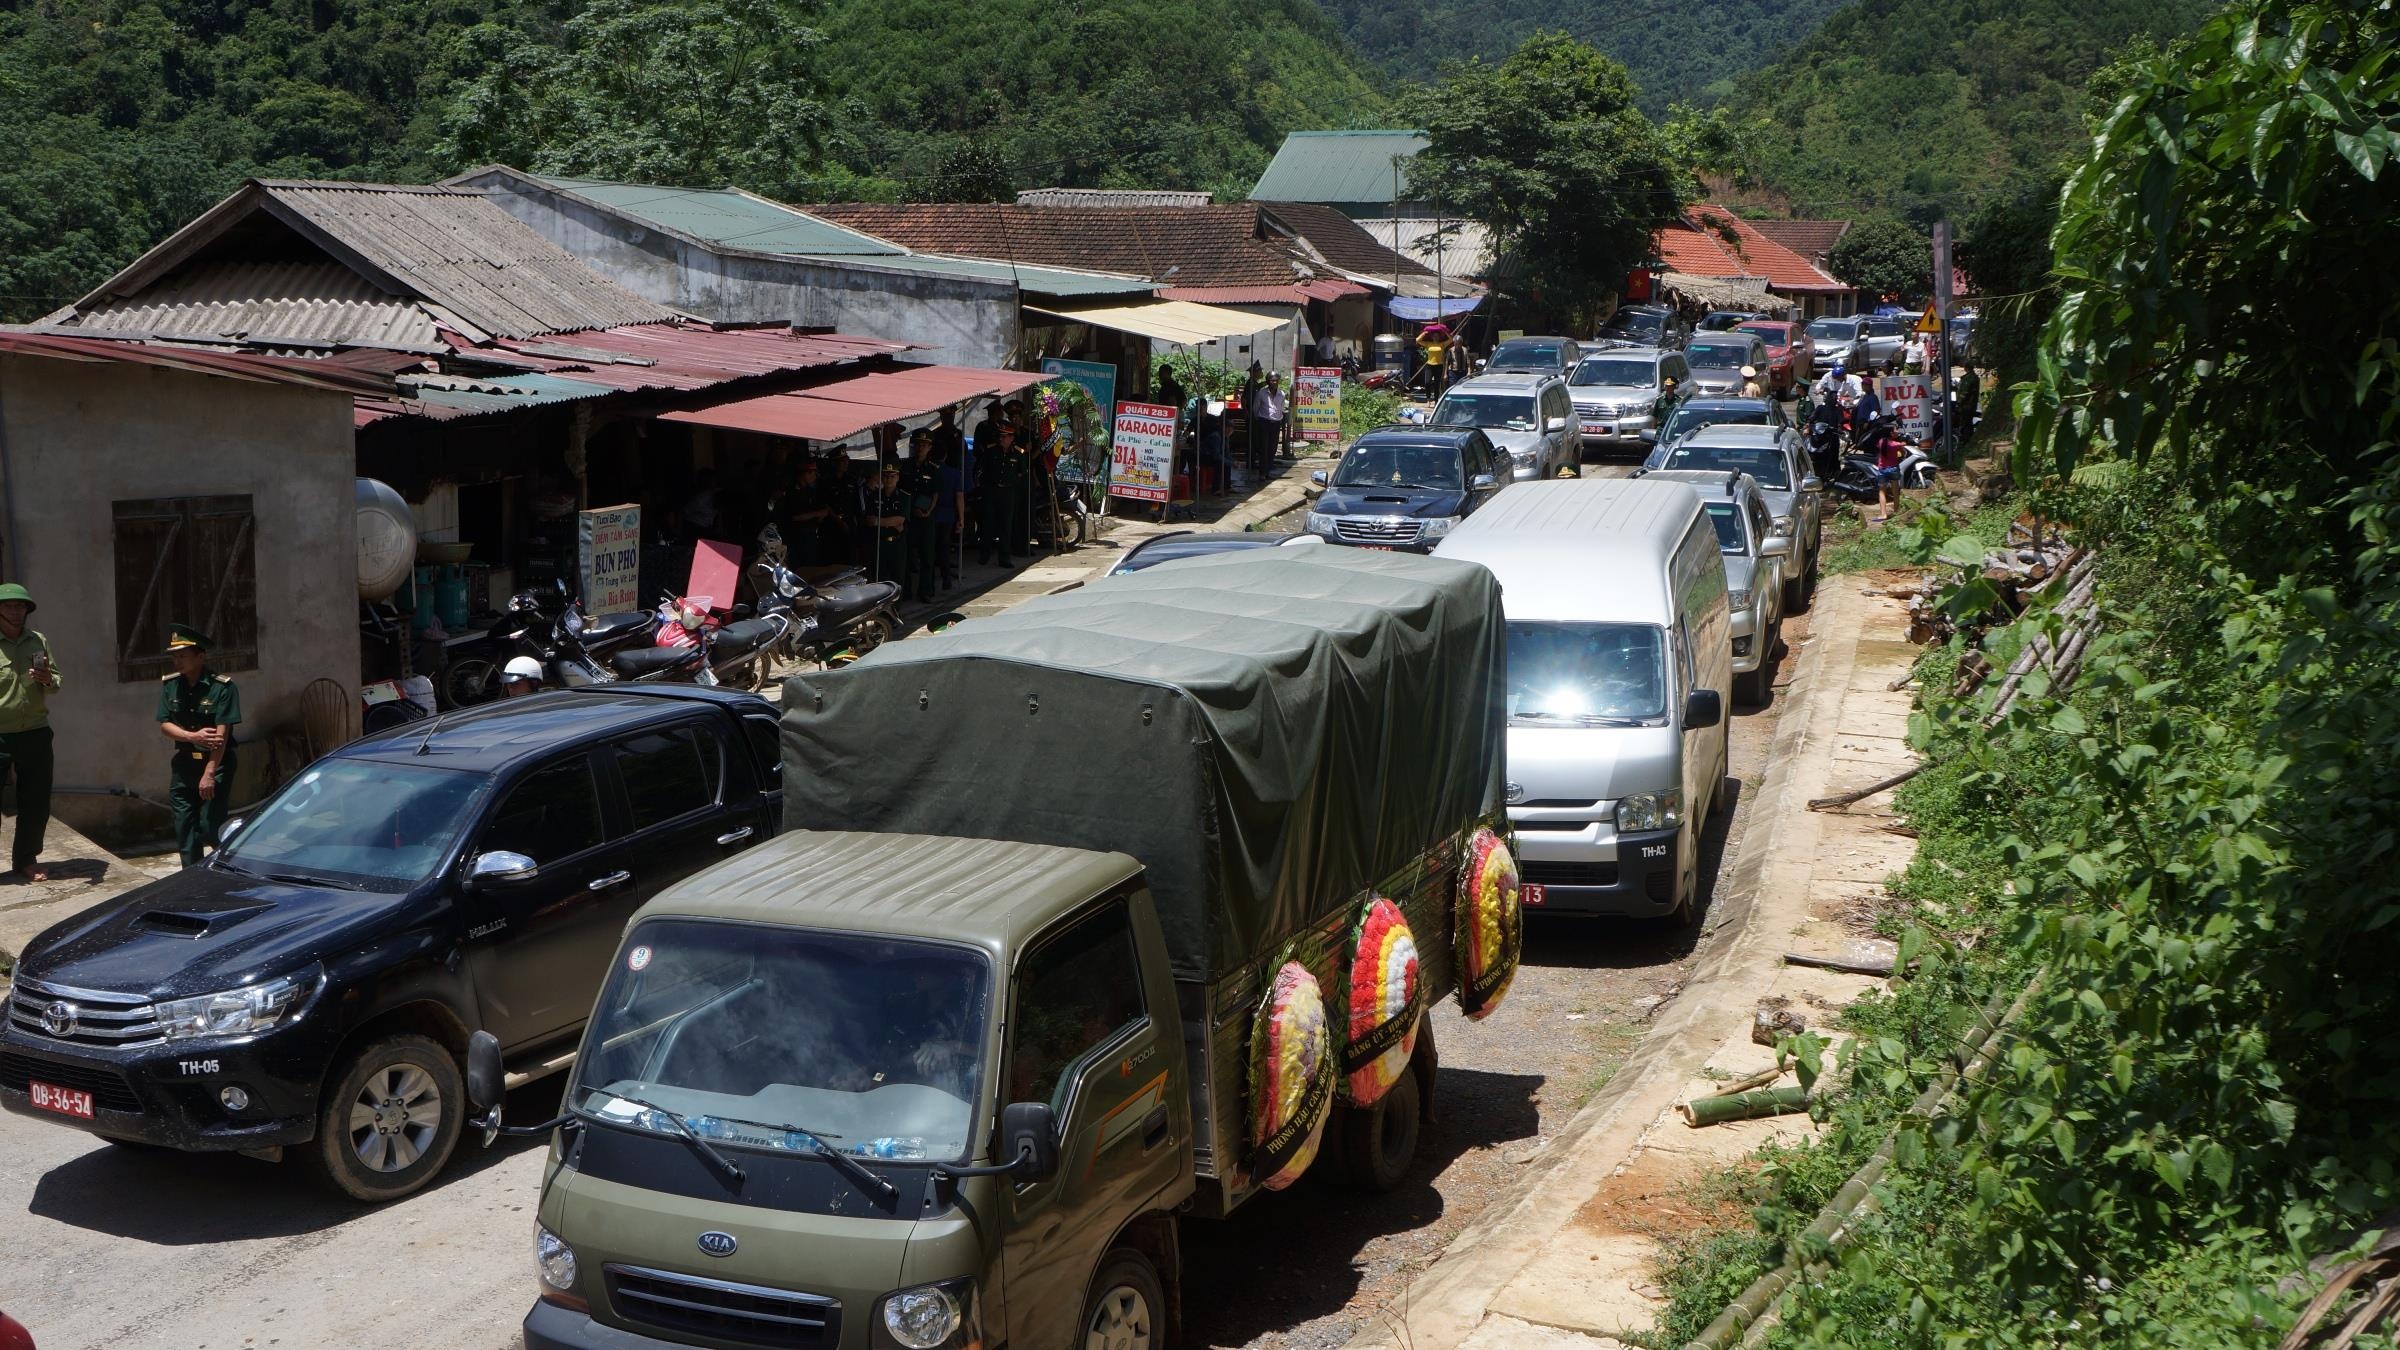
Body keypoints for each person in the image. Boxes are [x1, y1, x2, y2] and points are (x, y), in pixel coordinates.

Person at [156, 624, 240, 867]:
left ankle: (227, 868)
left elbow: (220, 736)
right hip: (184, 764)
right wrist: (191, 736)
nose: (177, 661)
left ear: (200, 656)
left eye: (182, 656)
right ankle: (191, 876)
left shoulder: (222, 687)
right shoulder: (171, 685)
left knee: (210, 824)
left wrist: (209, 774)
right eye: (174, 656)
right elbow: (164, 724)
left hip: (216, 763)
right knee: (185, 825)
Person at [0, 583, 60, 881]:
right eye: (9, 606)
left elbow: (57, 682)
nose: (15, 610)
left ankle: (26, 859)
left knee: (36, 800)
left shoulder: (38, 641)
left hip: (35, 732)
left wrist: (48, 678)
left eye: (20, 606)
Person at [979, 419, 1029, 565]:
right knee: (987, 524)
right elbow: (983, 470)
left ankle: (1004, 557)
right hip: (992, 491)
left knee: (1005, 526)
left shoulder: (1018, 453)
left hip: (1008, 492)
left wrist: (1012, 484)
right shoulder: (991, 451)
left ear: (1011, 438)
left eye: (1004, 436)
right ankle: (984, 554)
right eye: (1000, 436)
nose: (1001, 439)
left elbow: (1021, 473)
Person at [901, 431, 940, 603]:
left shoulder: (933, 467)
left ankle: (926, 590)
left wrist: (928, 511)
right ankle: (906, 591)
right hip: (909, 516)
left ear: (930, 447)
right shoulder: (906, 466)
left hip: (926, 517)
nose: (920, 448)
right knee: (907, 557)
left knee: (927, 556)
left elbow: (936, 493)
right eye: (918, 444)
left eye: (924, 445)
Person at [928, 437, 964, 591]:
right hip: (947, 514)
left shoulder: (929, 470)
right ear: (945, 455)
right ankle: (946, 578)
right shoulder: (953, 473)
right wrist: (961, 518)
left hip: (930, 513)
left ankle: (930, 581)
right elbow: (959, 497)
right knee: (944, 547)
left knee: (930, 549)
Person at [868, 461, 911, 586]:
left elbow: (900, 520)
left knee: (897, 578)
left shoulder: (904, 496)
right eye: (886, 476)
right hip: (879, 542)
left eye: (892, 476)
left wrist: (878, 521)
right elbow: (870, 520)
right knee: (879, 578)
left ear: (898, 477)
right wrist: (889, 522)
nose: (889, 480)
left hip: (896, 543)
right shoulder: (874, 496)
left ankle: (895, 606)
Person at [1255, 373, 1288, 474]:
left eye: (1276, 380)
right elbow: (1255, 408)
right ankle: (1262, 473)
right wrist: (1259, 421)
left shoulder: (1281, 394)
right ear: (1268, 381)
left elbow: (1281, 408)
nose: (1274, 382)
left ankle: (1268, 470)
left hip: (1276, 424)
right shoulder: (1261, 393)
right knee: (1264, 448)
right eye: (1272, 380)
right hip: (1264, 423)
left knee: (1272, 448)